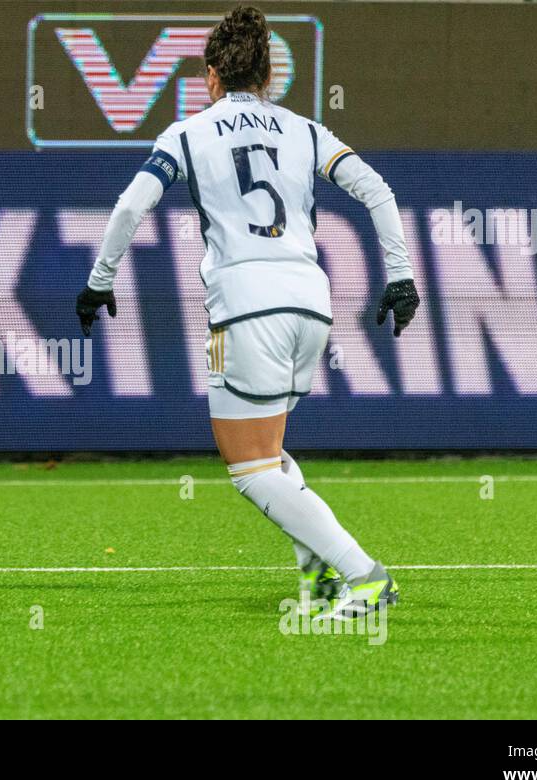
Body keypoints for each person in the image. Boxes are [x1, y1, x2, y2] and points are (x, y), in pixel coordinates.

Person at [76, 7, 419, 619]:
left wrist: (99, 282)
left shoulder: (187, 133)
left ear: (211, 75)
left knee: (249, 467)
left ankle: (366, 577)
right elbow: (378, 190)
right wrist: (399, 276)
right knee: (272, 449)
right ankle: (319, 580)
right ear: (268, 75)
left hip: (242, 310)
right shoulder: (305, 129)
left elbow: (130, 209)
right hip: (311, 305)